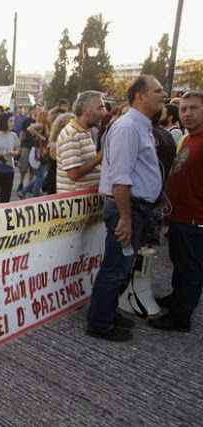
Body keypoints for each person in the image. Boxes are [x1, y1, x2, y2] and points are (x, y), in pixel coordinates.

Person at [86, 75, 166, 342]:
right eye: (158, 90)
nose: (164, 94)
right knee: (115, 268)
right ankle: (99, 322)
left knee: (122, 267)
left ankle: (106, 312)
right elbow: (121, 178)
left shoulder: (140, 126)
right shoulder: (129, 127)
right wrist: (125, 219)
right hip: (127, 209)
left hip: (135, 209)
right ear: (139, 96)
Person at [149, 91, 203, 332]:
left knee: (190, 268)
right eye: (183, 109)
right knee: (179, 263)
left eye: (194, 108)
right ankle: (177, 298)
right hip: (180, 216)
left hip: (195, 219)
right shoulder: (190, 138)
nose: (187, 114)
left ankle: (181, 317)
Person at [55, 91, 106, 193]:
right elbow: (73, 174)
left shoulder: (83, 132)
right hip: (74, 203)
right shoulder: (72, 135)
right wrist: (99, 156)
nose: (103, 113)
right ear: (85, 111)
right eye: (100, 108)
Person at [18, 110, 51, 199]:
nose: (50, 117)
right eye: (48, 115)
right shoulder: (40, 125)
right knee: (40, 178)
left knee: (39, 178)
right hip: (37, 154)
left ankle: (23, 192)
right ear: (44, 117)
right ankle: (35, 198)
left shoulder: (46, 126)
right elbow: (29, 128)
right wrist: (40, 136)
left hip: (41, 154)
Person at [18, 104, 40, 191]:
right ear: (33, 110)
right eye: (38, 109)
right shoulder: (27, 121)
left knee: (33, 168)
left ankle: (29, 185)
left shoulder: (40, 122)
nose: (39, 111)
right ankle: (21, 183)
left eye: (40, 109)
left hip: (36, 147)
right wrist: (19, 146)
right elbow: (22, 133)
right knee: (24, 166)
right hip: (26, 146)